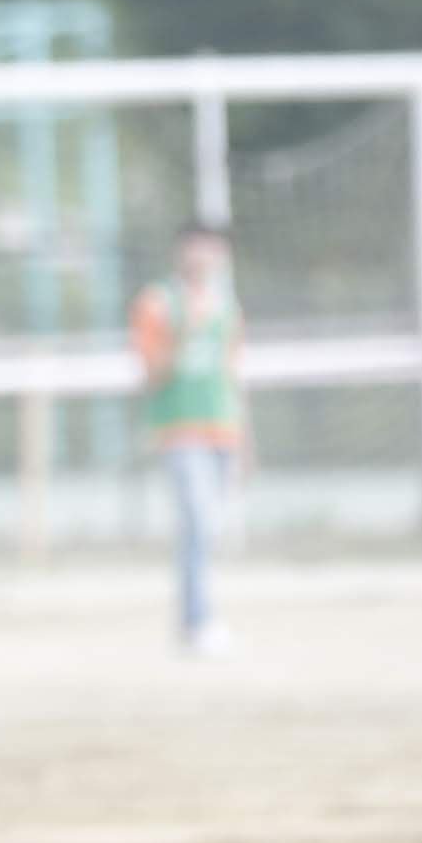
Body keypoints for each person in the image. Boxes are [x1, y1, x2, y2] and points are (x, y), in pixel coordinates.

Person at [128, 220, 249, 657]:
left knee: (208, 527)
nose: (204, 258)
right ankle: (197, 620)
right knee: (196, 521)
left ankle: (196, 618)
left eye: (213, 250)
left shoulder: (225, 304)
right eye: (197, 248)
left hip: (221, 427)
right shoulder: (158, 302)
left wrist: (244, 440)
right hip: (179, 430)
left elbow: (231, 373)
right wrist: (183, 333)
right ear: (181, 252)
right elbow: (151, 373)